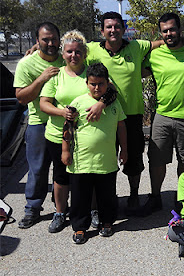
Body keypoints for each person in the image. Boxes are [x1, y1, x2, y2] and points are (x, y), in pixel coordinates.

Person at [85, 12, 184, 210]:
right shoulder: (91, 50)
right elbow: (70, 49)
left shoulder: (138, 47)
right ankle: (109, 202)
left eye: (117, 26)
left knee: (137, 159)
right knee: (107, 160)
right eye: (108, 27)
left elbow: (157, 44)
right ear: (102, 30)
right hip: (107, 114)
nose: (113, 30)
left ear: (123, 28)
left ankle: (142, 197)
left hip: (136, 114)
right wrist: (37, 48)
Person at [133, 13, 184, 216]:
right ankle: (155, 197)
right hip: (162, 116)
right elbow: (133, 71)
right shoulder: (155, 55)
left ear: (180, 30)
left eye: (172, 29)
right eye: (164, 30)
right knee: (156, 160)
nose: (168, 34)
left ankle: (183, 199)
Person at [40, 30, 108, 233]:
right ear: (63, 54)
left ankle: (93, 210)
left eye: (78, 52)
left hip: (89, 136)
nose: (73, 56)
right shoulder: (56, 75)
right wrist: (62, 112)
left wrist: (100, 105)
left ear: (85, 53)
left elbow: (110, 91)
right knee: (61, 176)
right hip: (58, 135)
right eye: (69, 52)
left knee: (91, 175)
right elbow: (44, 103)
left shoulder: (93, 72)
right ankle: (60, 212)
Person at [61, 63, 128, 244]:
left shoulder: (114, 103)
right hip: (81, 162)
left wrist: (124, 150)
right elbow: (67, 128)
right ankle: (80, 227)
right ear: (87, 83)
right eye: (93, 84)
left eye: (101, 84)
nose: (97, 88)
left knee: (106, 195)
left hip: (106, 162)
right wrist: (65, 151)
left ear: (108, 83)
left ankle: (107, 222)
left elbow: (121, 127)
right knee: (80, 198)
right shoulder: (78, 102)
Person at [14, 22, 64, 229]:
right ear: (37, 41)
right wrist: (41, 79)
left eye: (54, 39)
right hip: (39, 124)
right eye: (45, 39)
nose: (50, 43)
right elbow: (21, 97)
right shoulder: (26, 64)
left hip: (63, 123)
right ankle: (32, 208)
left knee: (64, 168)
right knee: (37, 169)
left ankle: (62, 206)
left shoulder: (68, 58)